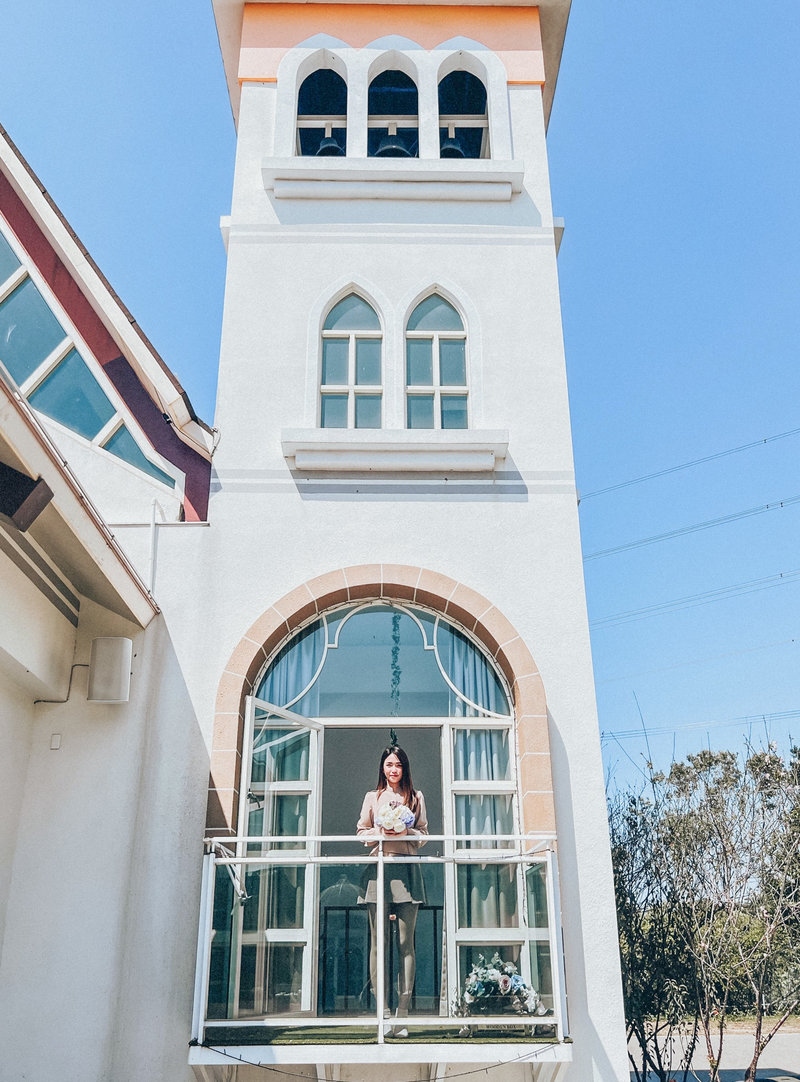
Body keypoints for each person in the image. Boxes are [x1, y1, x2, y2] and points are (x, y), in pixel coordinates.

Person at [357, 741, 428, 1037]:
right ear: (382, 768)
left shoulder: (416, 796)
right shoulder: (372, 797)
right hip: (379, 870)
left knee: (404, 943)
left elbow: (424, 834)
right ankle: (381, 1013)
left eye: (398, 764)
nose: (393, 769)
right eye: (389, 764)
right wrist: (380, 832)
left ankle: (403, 1014)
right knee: (378, 942)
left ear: (404, 768)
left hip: (407, 870)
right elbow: (361, 833)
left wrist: (406, 830)